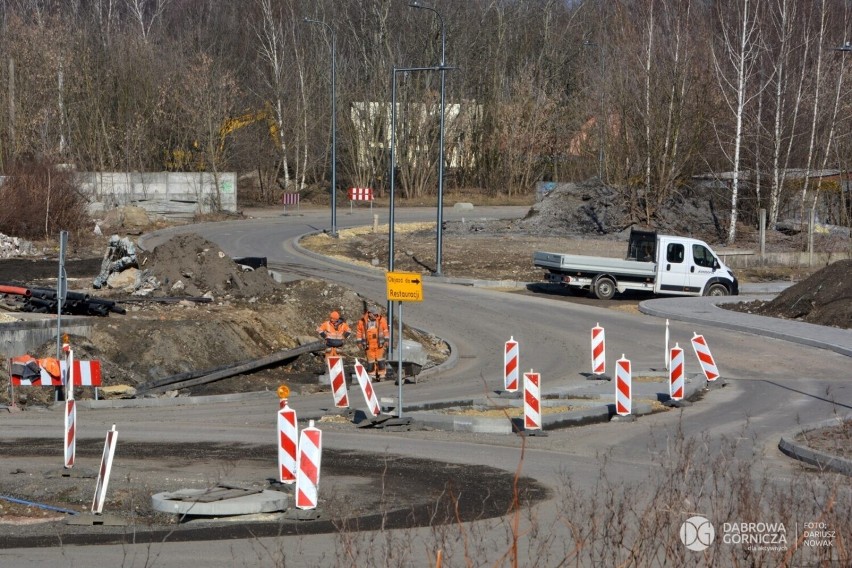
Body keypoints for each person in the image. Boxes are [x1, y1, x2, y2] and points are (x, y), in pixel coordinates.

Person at [356, 305, 389, 381]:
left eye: (377, 314)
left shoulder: (381, 320)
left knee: (380, 359)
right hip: (368, 344)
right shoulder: (362, 321)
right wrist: (359, 342)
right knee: (370, 360)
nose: (376, 316)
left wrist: (386, 340)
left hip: (379, 343)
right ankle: (372, 375)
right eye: (374, 314)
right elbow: (359, 332)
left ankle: (382, 374)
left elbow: (386, 331)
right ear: (370, 313)